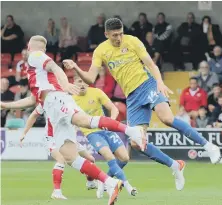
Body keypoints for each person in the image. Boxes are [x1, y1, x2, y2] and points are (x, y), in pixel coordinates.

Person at [63, 18, 221, 190]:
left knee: (166, 118)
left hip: (147, 84)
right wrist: (76, 68)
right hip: (132, 97)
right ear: (106, 34)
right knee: (136, 143)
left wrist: (159, 82)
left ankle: (208, 146)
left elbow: (151, 64)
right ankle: (175, 166)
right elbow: (91, 78)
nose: (118, 38)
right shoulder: (101, 50)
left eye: (121, 33)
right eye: (114, 35)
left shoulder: (132, 41)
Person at [0, 35, 146, 204]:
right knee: (69, 157)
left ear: (30, 46)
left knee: (85, 121)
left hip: (57, 100)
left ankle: (133, 131)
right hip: (51, 108)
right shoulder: (36, 72)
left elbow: (55, 67)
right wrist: (5, 105)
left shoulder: (35, 56)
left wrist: (66, 84)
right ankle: (110, 182)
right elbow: (33, 100)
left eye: (27, 48)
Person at [72, 75, 137, 198]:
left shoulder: (96, 92)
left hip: (106, 129)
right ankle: (128, 186)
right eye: (79, 81)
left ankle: (104, 181)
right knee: (109, 156)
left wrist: (111, 122)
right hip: (92, 133)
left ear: (88, 83)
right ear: (73, 83)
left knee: (124, 158)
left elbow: (113, 108)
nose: (81, 84)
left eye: (84, 81)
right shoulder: (71, 100)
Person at [19, 104, 97, 199]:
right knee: (60, 159)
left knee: (91, 159)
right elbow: (34, 115)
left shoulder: (71, 102)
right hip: (52, 138)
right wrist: (24, 132)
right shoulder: (46, 101)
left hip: (69, 139)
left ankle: (90, 182)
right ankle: (56, 192)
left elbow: (82, 119)